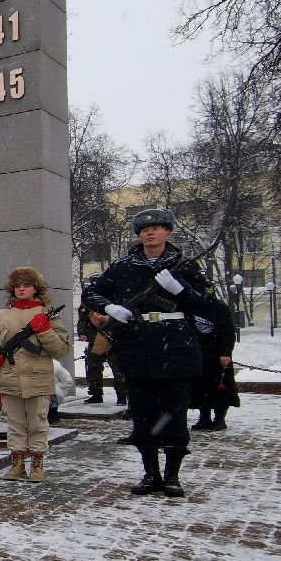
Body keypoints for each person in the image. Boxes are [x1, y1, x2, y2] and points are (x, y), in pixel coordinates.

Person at [84, 208, 227, 497]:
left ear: (168, 233)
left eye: (157, 228)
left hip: (176, 346)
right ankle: (150, 473)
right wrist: (110, 307)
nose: (150, 233)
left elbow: (214, 310)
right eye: (144, 229)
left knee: (174, 412)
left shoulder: (186, 268)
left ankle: (172, 476)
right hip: (138, 345)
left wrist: (181, 291)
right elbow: (92, 293)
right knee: (143, 414)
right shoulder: (123, 267)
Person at [0, 267, 70, 482]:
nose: (21, 289)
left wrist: (44, 330)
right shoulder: (3, 315)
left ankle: (37, 465)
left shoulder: (47, 314)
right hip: (10, 378)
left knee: (38, 424)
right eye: (17, 286)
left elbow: (61, 349)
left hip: (38, 379)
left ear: (35, 288)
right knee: (15, 424)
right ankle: (17, 464)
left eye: (26, 285)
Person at [191, 283, 237, 432]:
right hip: (199, 356)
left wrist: (225, 352)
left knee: (221, 388)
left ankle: (219, 419)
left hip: (218, 356)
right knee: (200, 388)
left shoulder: (219, 308)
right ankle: (204, 417)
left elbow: (228, 332)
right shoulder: (193, 307)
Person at [78, 297, 128, 407]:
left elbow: (122, 319)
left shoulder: (115, 299)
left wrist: (105, 320)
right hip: (95, 339)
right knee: (93, 367)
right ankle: (96, 394)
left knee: (118, 370)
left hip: (113, 339)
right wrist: (83, 332)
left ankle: (122, 396)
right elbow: (82, 320)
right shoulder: (88, 303)